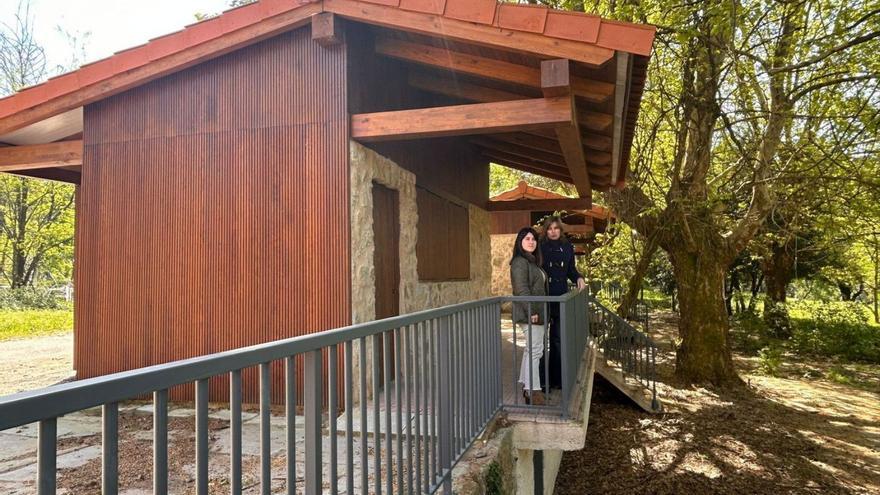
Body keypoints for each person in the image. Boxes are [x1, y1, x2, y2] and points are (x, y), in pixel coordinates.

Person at [540, 216, 586, 390]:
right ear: (546, 230)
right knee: (541, 342)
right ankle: (543, 381)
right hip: (544, 298)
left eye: (556, 228)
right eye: (550, 228)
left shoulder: (567, 247)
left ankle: (557, 379)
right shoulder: (540, 246)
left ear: (560, 230)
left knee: (557, 340)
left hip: (560, 299)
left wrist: (579, 278)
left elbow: (571, 270)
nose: (553, 231)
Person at [510, 227, 548, 405]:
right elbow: (521, 290)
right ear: (520, 242)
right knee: (535, 351)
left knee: (531, 349)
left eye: (533, 239)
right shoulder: (519, 262)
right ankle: (534, 391)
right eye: (527, 239)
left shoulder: (533, 262)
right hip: (529, 314)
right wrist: (532, 311)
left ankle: (527, 387)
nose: (531, 241)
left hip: (538, 313)